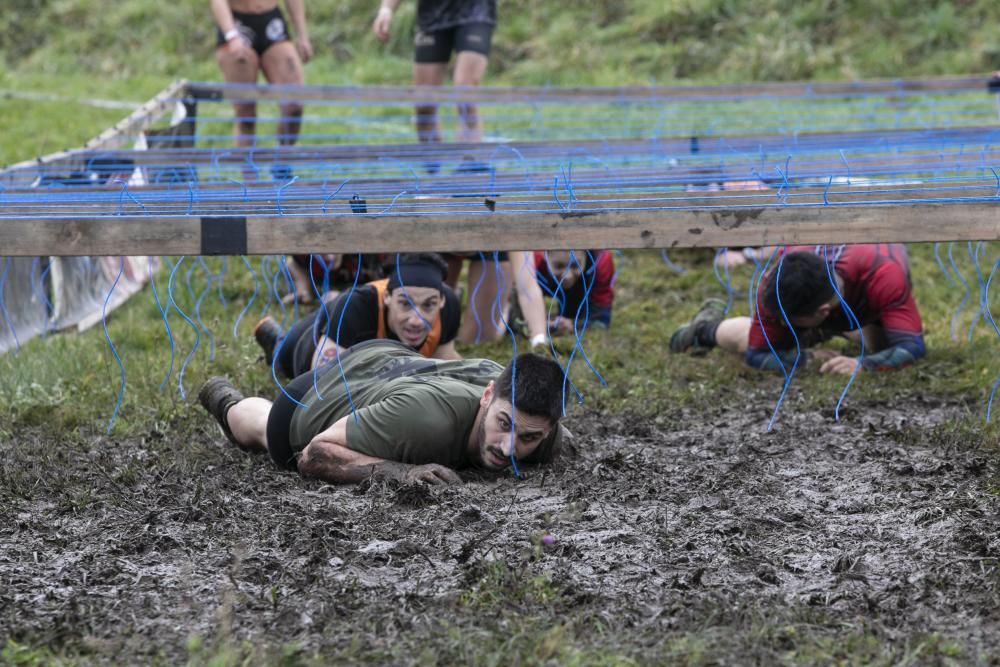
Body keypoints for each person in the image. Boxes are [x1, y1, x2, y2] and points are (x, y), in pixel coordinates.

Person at [198, 341, 568, 484]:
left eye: (529, 437)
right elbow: (313, 454)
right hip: (311, 403)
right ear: (488, 396)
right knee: (262, 427)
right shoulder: (424, 422)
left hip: (392, 364)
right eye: (504, 425)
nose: (508, 447)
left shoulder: (544, 432)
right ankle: (226, 400)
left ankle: (285, 342)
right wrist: (403, 472)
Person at [670, 244, 926, 373]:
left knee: (882, 349)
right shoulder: (775, 282)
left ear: (823, 312)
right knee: (750, 340)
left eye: (787, 320)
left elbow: (912, 346)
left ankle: (824, 332)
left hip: (865, 301)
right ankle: (704, 328)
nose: (778, 321)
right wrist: (805, 359)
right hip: (829, 304)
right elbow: (757, 354)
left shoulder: (883, 277)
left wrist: (861, 365)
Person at [255, 253, 463, 378]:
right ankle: (276, 339)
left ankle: (331, 305)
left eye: (429, 305)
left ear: (441, 301)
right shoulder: (358, 306)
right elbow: (319, 382)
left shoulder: (449, 306)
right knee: (282, 356)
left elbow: (443, 362)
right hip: (308, 346)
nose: (417, 319)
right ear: (388, 297)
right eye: (405, 304)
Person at [372, 0, 494, 154]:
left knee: (465, 91)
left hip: (476, 13)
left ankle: (471, 164)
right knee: (424, 104)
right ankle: (432, 165)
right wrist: (386, 9)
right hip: (432, 17)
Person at [210, 0, 312, 179]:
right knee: (246, 114)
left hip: (271, 22)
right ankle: (250, 180)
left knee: (294, 104)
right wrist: (231, 35)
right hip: (237, 24)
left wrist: (302, 35)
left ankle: (282, 163)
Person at [533, 250, 616, 333]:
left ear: (586, 256)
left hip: (582, 284)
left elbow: (600, 320)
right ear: (545, 256)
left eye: (575, 265)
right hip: (543, 277)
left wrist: (572, 325)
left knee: (576, 315)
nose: (567, 276)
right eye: (558, 266)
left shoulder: (600, 261)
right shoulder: (531, 261)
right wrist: (537, 323)